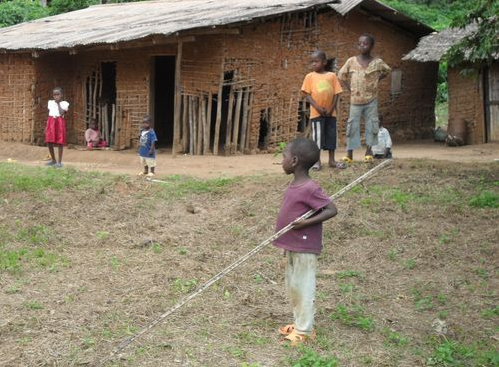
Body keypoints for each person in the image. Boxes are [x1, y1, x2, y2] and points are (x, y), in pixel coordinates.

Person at [274, 138, 337, 346]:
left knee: (303, 287)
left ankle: (305, 330)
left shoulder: (310, 188)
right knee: (293, 287)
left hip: (304, 248)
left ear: (293, 160)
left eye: (283, 157)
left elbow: (331, 209)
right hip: (293, 246)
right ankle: (299, 323)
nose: (280, 161)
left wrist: (306, 222)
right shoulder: (295, 184)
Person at [338, 34, 391, 163]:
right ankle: (349, 154)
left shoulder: (377, 62)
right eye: (360, 43)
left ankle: (368, 152)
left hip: (371, 99)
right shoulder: (351, 61)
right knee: (352, 126)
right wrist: (350, 88)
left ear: (372, 46)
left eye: (365, 43)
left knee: (372, 125)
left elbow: (387, 71)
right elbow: (341, 75)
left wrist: (377, 80)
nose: (362, 46)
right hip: (355, 101)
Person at [301, 50, 344, 170]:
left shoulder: (332, 76)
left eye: (316, 61)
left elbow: (336, 93)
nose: (313, 64)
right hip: (316, 113)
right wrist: (318, 108)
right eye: (311, 62)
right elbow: (307, 94)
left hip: (331, 114)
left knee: (331, 136)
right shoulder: (309, 77)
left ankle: (332, 161)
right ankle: (317, 161)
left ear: (324, 62)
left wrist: (331, 108)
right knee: (317, 138)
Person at [45, 87, 69, 168]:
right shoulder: (50, 102)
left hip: (59, 122)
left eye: (58, 94)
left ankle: (59, 162)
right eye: (54, 95)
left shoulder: (65, 103)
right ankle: (53, 160)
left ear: (61, 95)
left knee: (60, 141)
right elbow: (50, 113)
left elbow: (62, 113)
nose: (56, 96)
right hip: (51, 122)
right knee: (49, 141)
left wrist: (58, 103)